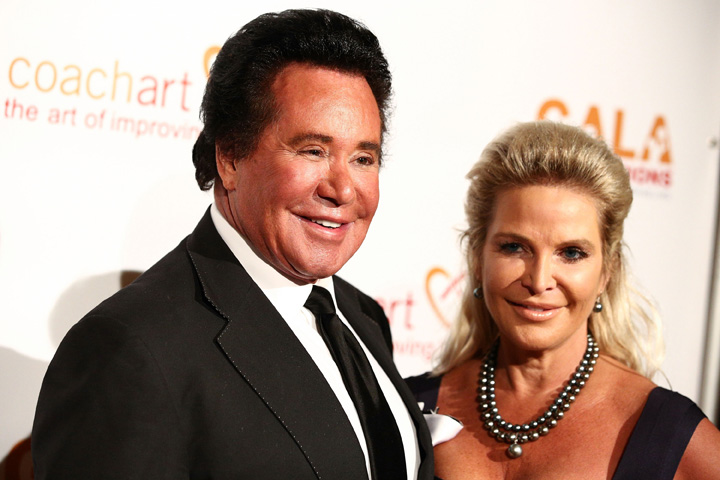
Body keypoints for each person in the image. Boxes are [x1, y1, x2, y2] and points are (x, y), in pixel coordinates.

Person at [32, 9, 433, 480]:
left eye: (364, 158)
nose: (343, 189)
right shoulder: (130, 350)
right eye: (312, 151)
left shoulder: (361, 317)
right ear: (230, 157)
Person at [406, 121, 720, 479]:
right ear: (478, 259)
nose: (539, 281)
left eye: (571, 253)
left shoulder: (669, 434)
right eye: (514, 247)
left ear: (607, 273)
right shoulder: (406, 405)